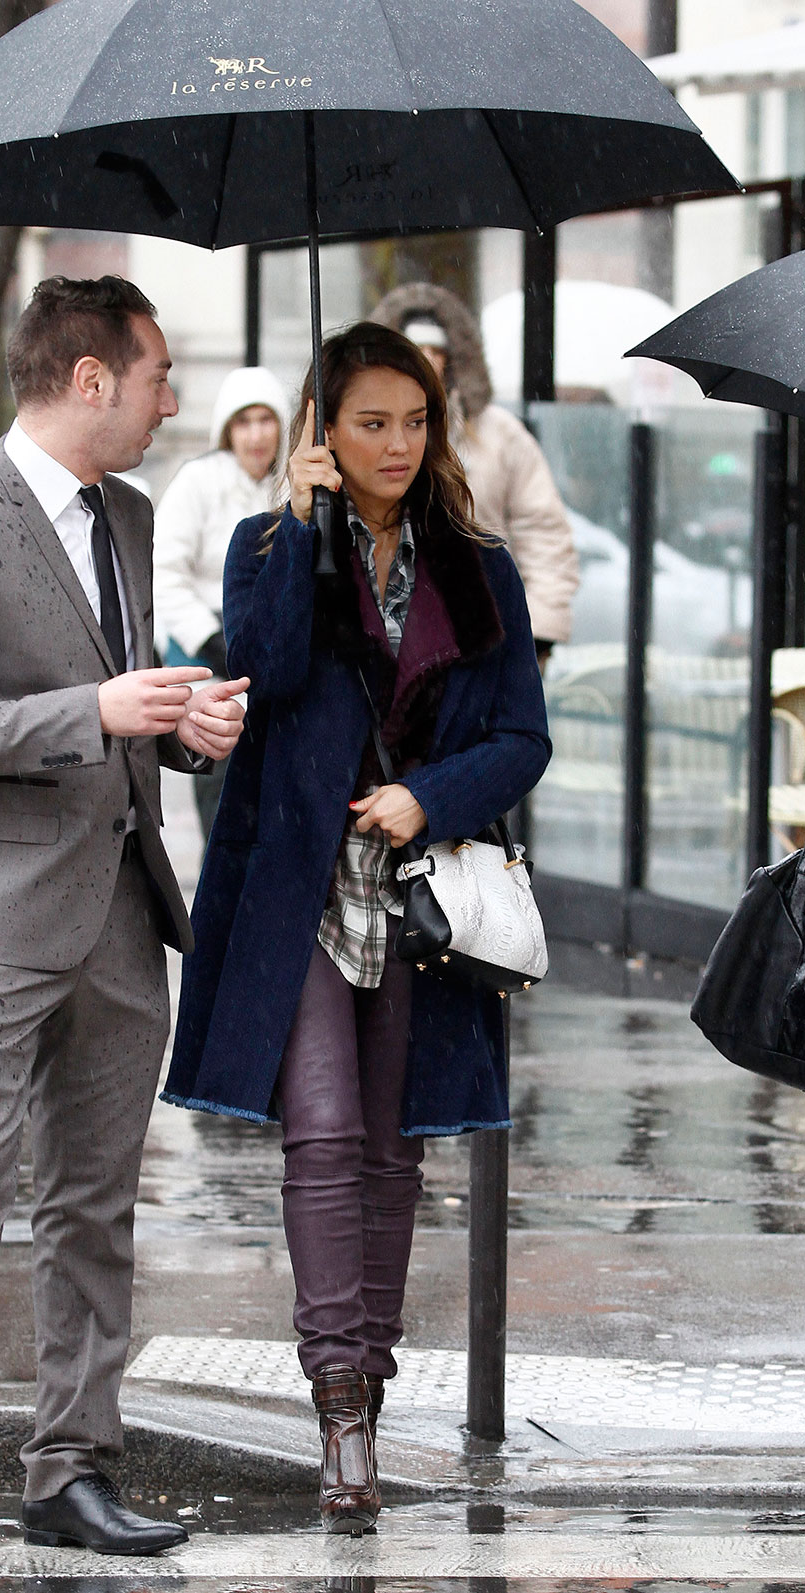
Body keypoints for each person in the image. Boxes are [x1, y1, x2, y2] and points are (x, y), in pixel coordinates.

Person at [0, 276, 248, 1574]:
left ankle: (70, 1468)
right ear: (91, 380)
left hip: (119, 913)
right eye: (157, 375)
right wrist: (95, 710)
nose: (172, 399)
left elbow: (126, 701)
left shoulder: (133, 515)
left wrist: (185, 729)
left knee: (94, 1209)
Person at [162, 322, 551, 1532]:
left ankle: (369, 1391)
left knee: (393, 1152)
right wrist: (299, 527)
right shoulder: (270, 545)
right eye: (369, 421)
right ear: (324, 426)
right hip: (302, 886)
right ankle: (336, 1401)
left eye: (414, 421)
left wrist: (427, 794)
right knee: (323, 1138)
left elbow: (524, 738)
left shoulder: (479, 567)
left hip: (422, 885)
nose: (396, 443)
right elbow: (264, 672)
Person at [371, 282, 579, 665]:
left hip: (487, 628)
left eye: (436, 351)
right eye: (416, 351)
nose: (428, 360)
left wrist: (539, 632)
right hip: (393, 634)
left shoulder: (499, 434)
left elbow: (543, 529)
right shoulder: (367, 439)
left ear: (453, 357)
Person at [153, 365, 288, 840]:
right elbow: (164, 571)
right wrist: (211, 640)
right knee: (223, 807)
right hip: (210, 666)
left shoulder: (291, 488)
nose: (255, 434)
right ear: (228, 428)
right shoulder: (199, 481)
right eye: (243, 420)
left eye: (265, 419)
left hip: (275, 664)